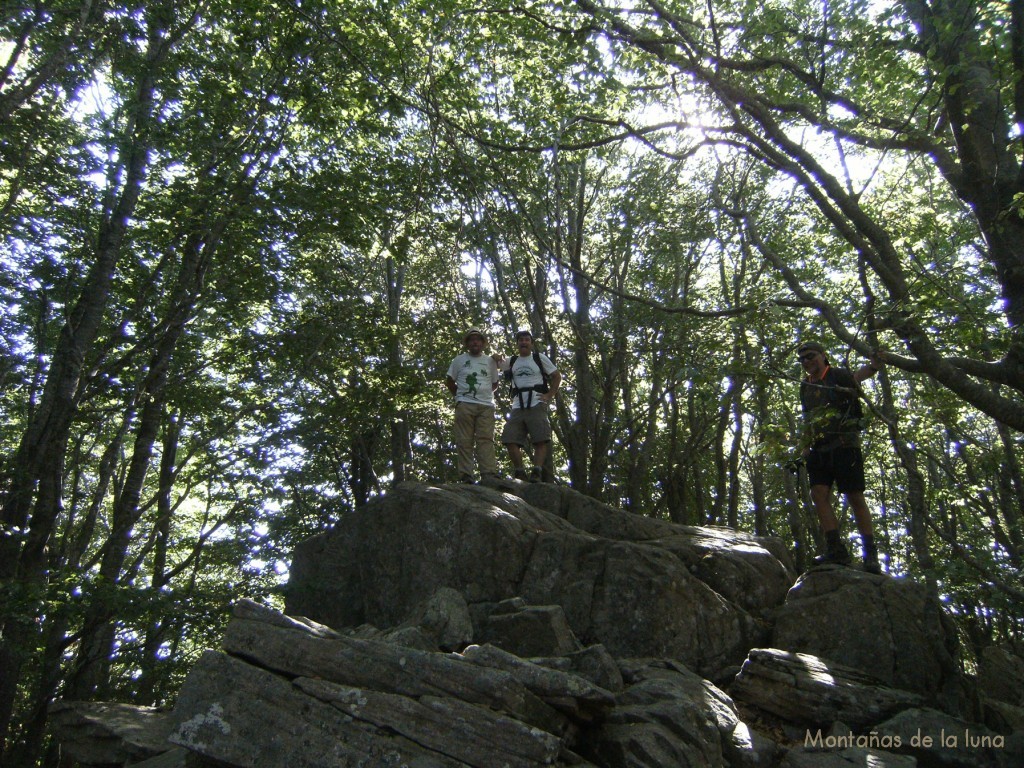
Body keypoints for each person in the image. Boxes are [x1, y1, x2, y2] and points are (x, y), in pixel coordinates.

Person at [797, 340, 884, 573]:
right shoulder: (805, 386)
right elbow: (807, 417)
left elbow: (858, 377)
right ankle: (836, 550)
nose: (806, 362)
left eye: (810, 356)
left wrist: (874, 365)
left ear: (823, 355)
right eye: (802, 359)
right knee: (818, 494)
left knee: (854, 496)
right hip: (818, 448)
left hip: (845, 444)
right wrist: (804, 447)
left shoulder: (837, 375)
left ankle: (870, 554)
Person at [493, 330, 561, 482]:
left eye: (526, 340)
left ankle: (537, 471)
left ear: (531, 343)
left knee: (540, 439)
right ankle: (519, 472)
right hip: (517, 405)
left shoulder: (538, 358)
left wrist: (549, 395)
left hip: (537, 402)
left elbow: (557, 376)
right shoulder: (512, 361)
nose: (524, 342)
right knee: (509, 438)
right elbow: (494, 362)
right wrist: (495, 356)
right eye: (521, 340)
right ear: (517, 344)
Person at [445, 329, 500, 483]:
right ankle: (466, 475)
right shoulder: (459, 360)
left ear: (483, 343)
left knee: (486, 439)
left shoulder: (490, 361)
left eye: (478, 340)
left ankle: (488, 473)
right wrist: (460, 397)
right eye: (472, 340)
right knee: (464, 440)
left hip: (486, 406)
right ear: (467, 343)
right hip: (465, 405)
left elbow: (495, 384)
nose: (475, 342)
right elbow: (449, 381)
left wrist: (484, 394)